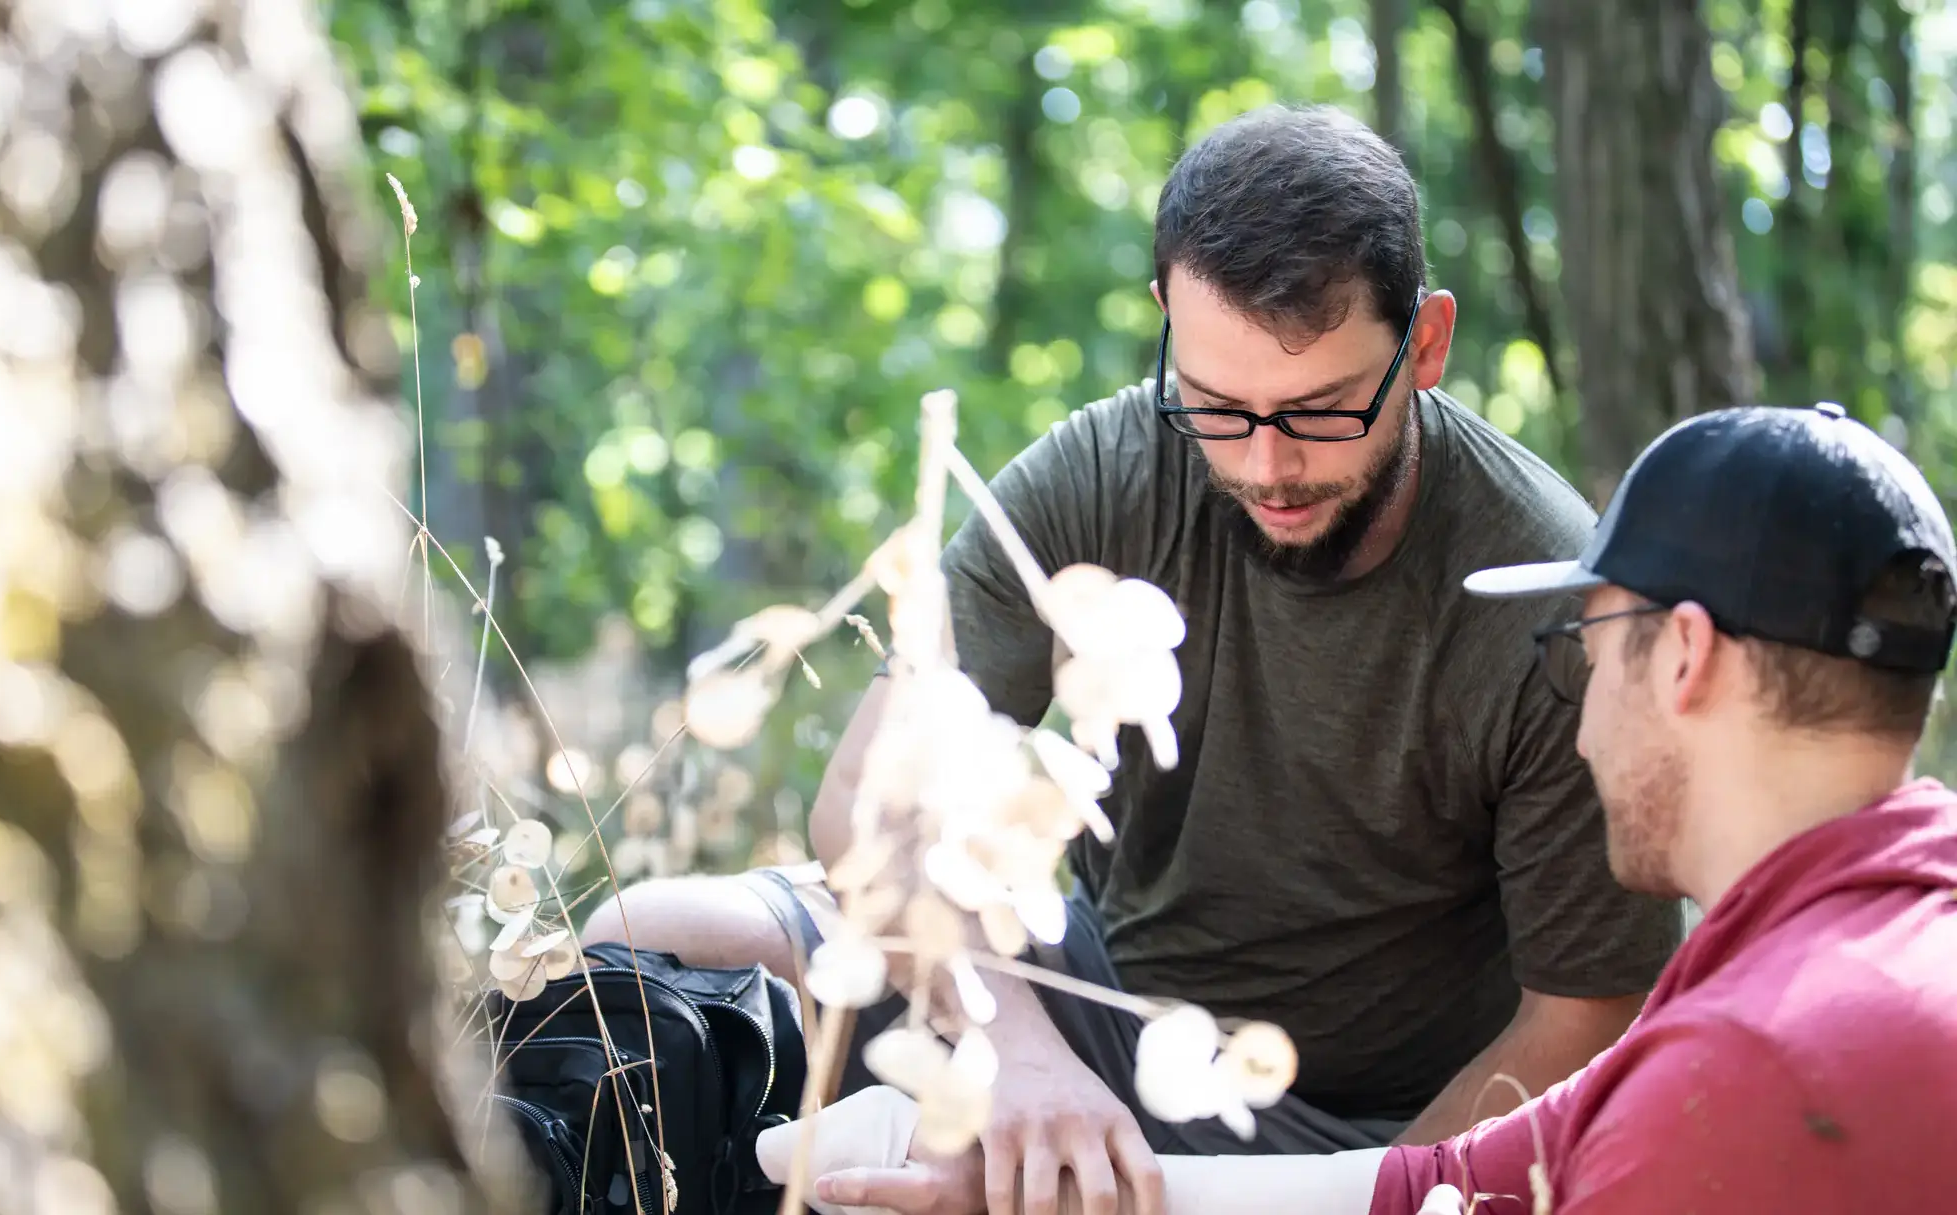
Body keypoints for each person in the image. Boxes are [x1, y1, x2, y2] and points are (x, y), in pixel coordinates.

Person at [581, 103, 1680, 1209]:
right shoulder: (1106, 472)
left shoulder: (1536, 581)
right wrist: (1022, 1052)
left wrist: (1371, 1193)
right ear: (1167, 317)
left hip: (1354, 1128)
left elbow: (1584, 1015)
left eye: (1321, 412)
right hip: (1091, 1008)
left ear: (1426, 345)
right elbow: (871, 801)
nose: (1266, 465)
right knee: (657, 946)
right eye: (1216, 406)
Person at [768, 400, 1957, 1214]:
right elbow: (1427, 1187)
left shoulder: (1759, 1061)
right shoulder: (1850, 949)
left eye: (1582, 646)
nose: (1581, 718)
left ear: (1683, 656)